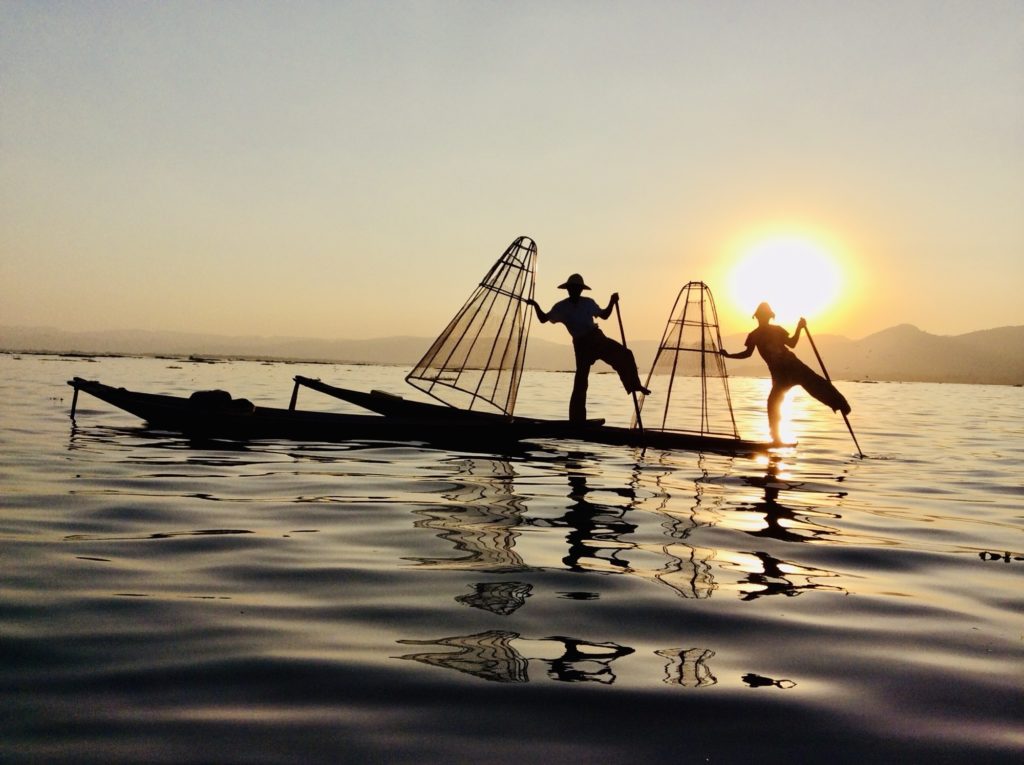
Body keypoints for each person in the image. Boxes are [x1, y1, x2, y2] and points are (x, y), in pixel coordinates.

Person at [720, 302, 850, 444]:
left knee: (817, 385)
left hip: (793, 366)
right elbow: (747, 353)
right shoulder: (754, 335)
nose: (762, 319)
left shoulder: (776, 330)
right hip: (780, 374)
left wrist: (799, 328)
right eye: (760, 317)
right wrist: (728, 355)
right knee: (773, 403)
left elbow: (792, 343)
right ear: (758, 318)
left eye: (764, 316)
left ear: (768, 317)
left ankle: (841, 404)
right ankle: (776, 438)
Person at [526, 273, 650, 422]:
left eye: (577, 289)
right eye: (572, 288)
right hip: (581, 345)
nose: (575, 291)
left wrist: (611, 301)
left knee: (625, 354)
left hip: (596, 338)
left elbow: (604, 315)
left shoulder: (588, 303)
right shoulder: (561, 307)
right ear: (568, 289)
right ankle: (577, 419)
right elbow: (543, 319)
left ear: (581, 290)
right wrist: (536, 305)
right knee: (581, 381)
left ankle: (634, 385)